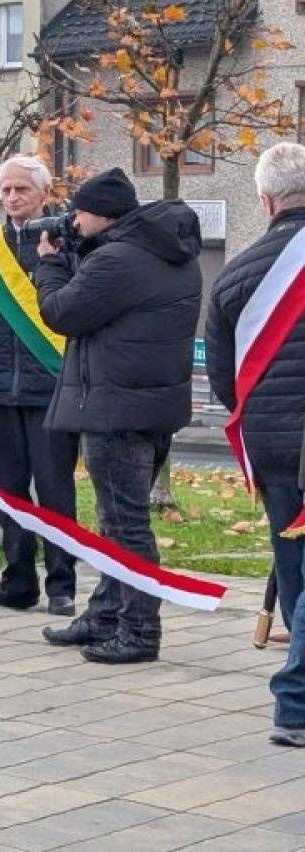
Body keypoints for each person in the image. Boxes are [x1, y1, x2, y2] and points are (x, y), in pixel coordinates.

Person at [34, 167, 201, 665]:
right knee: (115, 521)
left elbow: (63, 312)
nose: (73, 221)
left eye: (79, 212)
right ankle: (106, 614)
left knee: (124, 525)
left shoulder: (119, 260)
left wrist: (48, 264)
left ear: (102, 215)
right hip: (149, 403)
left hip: (118, 408)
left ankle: (139, 630)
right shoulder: (164, 251)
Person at [205, 142, 305, 743]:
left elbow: (224, 379)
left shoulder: (234, 274)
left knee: (294, 569)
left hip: (270, 443)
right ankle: (294, 700)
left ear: (266, 201)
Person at [0, 155, 80, 616]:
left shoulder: (64, 243)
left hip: (49, 388)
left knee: (54, 491)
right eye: (5, 191)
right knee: (9, 491)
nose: (11, 199)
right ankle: (18, 579)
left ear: (43, 194)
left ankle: (62, 583)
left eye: (21, 190)